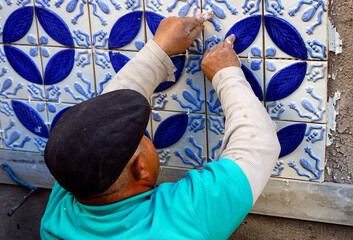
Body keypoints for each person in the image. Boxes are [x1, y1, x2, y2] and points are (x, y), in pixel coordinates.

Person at [40, 12, 280, 240]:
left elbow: (100, 121)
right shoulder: (183, 217)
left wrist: (158, 50)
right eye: (140, 136)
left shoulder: (59, 213)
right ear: (140, 167)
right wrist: (226, 74)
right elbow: (257, 145)